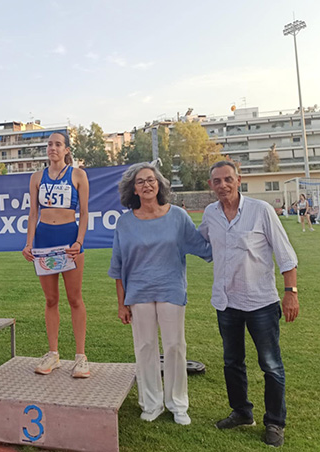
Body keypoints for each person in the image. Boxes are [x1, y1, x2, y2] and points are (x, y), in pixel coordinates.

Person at [199, 160, 299, 448]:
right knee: (232, 362)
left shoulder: (261, 210)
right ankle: (241, 413)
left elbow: (285, 254)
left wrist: (291, 292)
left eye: (228, 179)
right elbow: (201, 244)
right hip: (226, 303)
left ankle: (275, 422)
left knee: (271, 365)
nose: (223, 185)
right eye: (217, 181)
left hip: (261, 303)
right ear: (211, 185)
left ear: (238, 180)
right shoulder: (210, 213)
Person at [108, 163, 211, 425]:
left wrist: (228, 232)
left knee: (175, 346)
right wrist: (121, 304)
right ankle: (151, 403)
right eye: (141, 181)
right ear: (133, 189)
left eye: (151, 180)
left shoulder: (178, 216)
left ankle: (178, 404)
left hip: (171, 290)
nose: (147, 185)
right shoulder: (125, 222)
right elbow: (118, 266)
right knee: (145, 348)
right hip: (138, 293)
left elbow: (203, 247)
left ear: (159, 184)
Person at [22, 131, 90, 378]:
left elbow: (84, 212)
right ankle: (53, 354)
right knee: (51, 299)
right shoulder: (36, 177)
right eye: (50, 144)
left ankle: (81, 357)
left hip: (69, 240)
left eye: (58, 144)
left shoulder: (78, 175)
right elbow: (33, 213)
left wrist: (79, 241)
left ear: (67, 150)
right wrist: (29, 243)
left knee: (75, 299)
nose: (53, 148)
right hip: (44, 241)